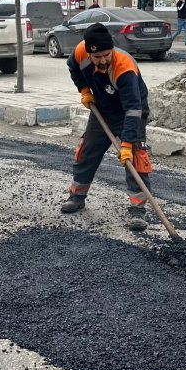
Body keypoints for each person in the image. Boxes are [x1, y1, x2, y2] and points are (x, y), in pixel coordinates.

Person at [61, 24, 155, 231]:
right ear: (89, 53)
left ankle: (138, 210)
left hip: (131, 112)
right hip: (102, 111)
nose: (103, 60)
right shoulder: (80, 53)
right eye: (98, 57)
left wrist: (127, 143)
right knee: (87, 152)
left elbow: (133, 108)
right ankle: (77, 196)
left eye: (106, 55)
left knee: (135, 158)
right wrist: (84, 90)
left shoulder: (124, 67)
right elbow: (73, 67)